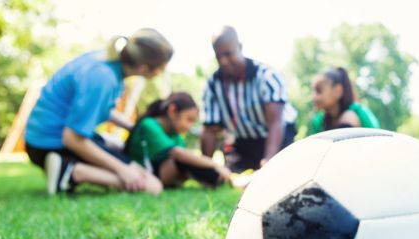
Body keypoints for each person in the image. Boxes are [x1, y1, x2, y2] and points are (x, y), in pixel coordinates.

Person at [24, 28, 173, 195]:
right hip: (50, 144)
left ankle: (69, 169)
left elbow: (100, 109)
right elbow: (72, 138)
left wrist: (132, 128)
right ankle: (70, 172)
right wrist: (122, 169)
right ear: (145, 68)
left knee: (118, 147)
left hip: (39, 139)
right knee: (152, 187)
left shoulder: (105, 62)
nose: (161, 73)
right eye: (162, 68)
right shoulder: (103, 78)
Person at [200, 26, 297, 173]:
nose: (224, 61)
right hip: (244, 141)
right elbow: (210, 129)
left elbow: (276, 122)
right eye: (219, 56)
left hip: (277, 136)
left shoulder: (266, 76)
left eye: (228, 54)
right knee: (235, 173)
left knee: (279, 173)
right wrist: (205, 166)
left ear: (239, 47)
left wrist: (268, 161)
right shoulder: (214, 84)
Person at [124, 92, 232, 188]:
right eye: (189, 120)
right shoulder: (148, 124)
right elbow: (178, 153)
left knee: (189, 159)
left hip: (163, 173)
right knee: (182, 157)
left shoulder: (174, 134)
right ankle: (222, 178)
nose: (189, 127)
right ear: (172, 110)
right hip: (143, 173)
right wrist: (215, 164)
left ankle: (220, 179)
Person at [310, 67, 380, 134]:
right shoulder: (319, 121)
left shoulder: (356, 113)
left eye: (319, 91)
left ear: (338, 91)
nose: (314, 97)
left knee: (349, 116)